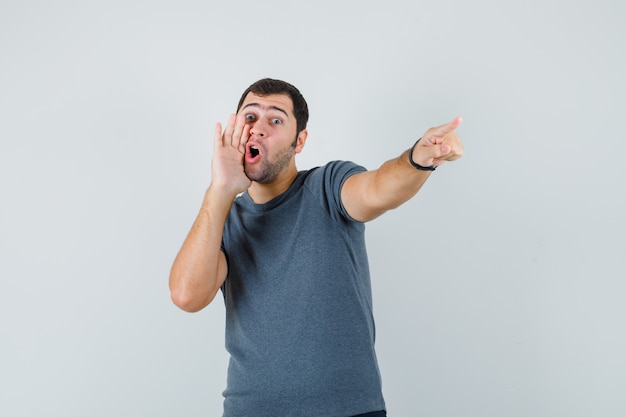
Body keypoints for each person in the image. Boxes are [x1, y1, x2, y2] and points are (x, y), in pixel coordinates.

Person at [169, 78, 464, 417]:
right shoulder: (221, 217)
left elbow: (378, 190)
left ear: (300, 141)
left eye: (275, 120)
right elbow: (187, 296)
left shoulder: (327, 186)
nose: (258, 129)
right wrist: (220, 189)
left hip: (348, 411)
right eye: (249, 118)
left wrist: (417, 159)